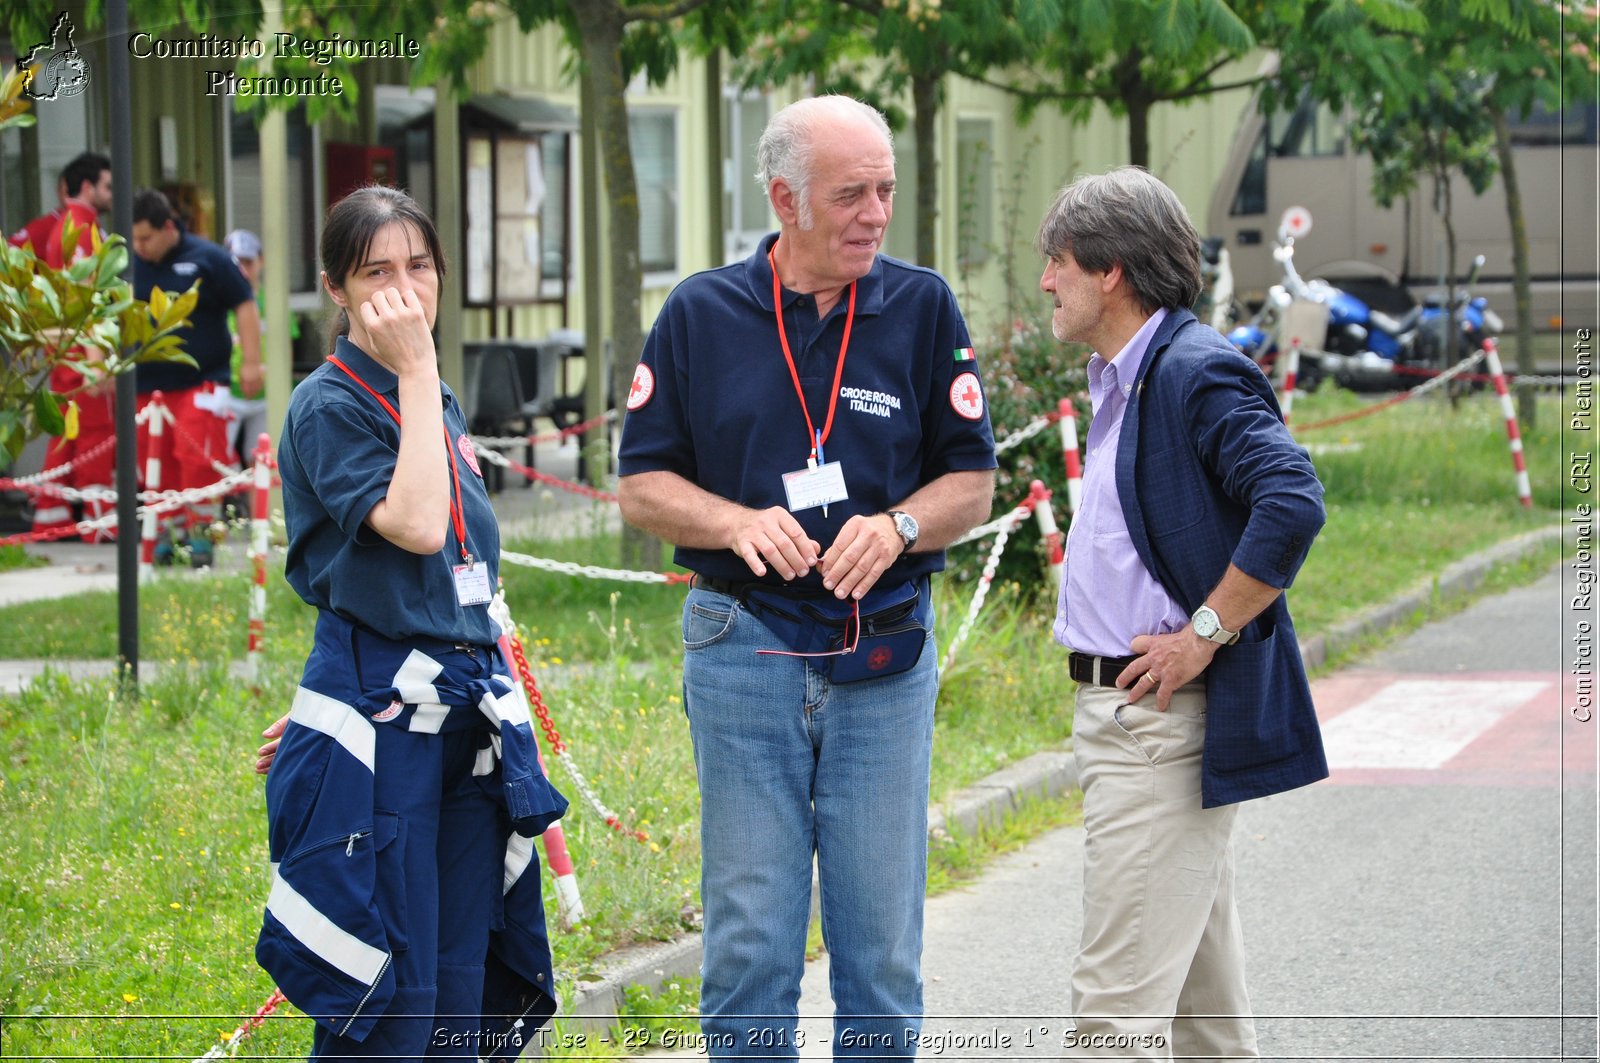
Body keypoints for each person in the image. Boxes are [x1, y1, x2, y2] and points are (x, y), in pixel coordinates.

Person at [616, 95, 996, 1057]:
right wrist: (734, 521)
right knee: (748, 940)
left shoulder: (919, 305)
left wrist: (902, 523)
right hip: (743, 648)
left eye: (887, 191)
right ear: (785, 199)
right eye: (852, 194)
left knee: (881, 947)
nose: (876, 213)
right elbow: (642, 486)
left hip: (883, 655)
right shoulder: (702, 312)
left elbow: (974, 481)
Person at [252, 185, 567, 1059]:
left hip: (462, 721)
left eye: (419, 266)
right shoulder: (331, 404)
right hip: (384, 731)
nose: (403, 290)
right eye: (376, 271)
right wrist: (420, 371)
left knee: (465, 983)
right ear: (337, 291)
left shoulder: (436, 401)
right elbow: (418, 527)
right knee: (389, 990)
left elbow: (460, 579)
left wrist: (425, 383)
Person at [1038, 167, 1327, 1059]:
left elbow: (1293, 497)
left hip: (1155, 729)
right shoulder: (1126, 375)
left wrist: (1204, 634)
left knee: (1110, 1019)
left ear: (1110, 270)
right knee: (1207, 1024)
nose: (1046, 279)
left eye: (1057, 260)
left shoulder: (1192, 371)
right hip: (1139, 723)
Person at [131, 188, 261, 566]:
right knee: (154, 462)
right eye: (134, 238)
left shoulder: (209, 258)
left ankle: (201, 537)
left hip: (201, 381)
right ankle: (166, 538)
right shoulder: (126, 262)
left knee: (198, 459)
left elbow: (245, 304)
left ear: (169, 227)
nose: (139, 246)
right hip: (144, 385)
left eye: (146, 237)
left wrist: (250, 362)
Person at [7, 153, 116, 541]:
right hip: (81, 350)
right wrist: (96, 359)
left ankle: (50, 521)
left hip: (66, 348)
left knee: (66, 437)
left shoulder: (62, 227)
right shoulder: (80, 227)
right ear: (87, 187)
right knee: (95, 437)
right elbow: (85, 296)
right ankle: (99, 527)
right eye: (107, 185)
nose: (111, 193)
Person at [221, 228, 299, 466]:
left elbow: (287, 351)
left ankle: (258, 506)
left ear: (261, 261)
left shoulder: (274, 302)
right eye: (236, 263)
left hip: (267, 395)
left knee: (264, 461)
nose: (243, 269)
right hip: (226, 393)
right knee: (217, 460)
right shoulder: (217, 302)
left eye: (248, 261)